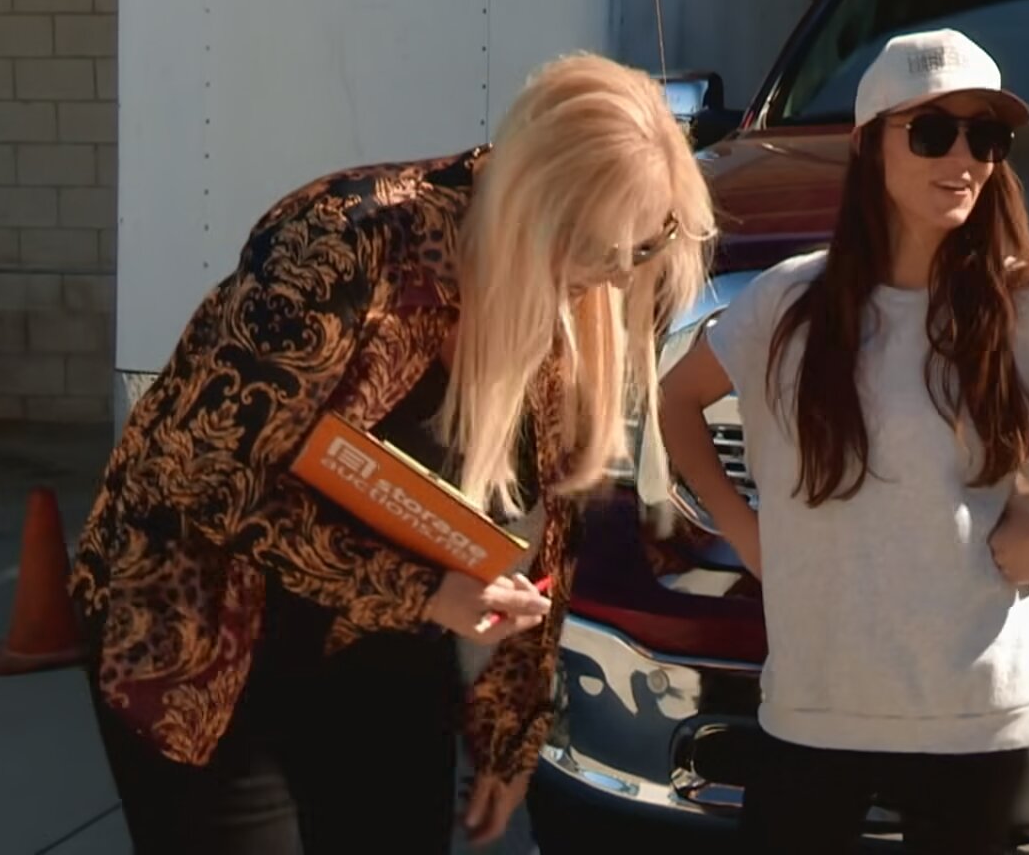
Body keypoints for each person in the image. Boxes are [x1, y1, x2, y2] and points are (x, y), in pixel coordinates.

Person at [67, 53, 716, 855]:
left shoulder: (568, 304)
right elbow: (201, 477)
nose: (614, 277)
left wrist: (511, 734)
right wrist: (424, 594)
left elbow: (548, 537)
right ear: (532, 208)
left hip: (380, 644)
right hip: (200, 628)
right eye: (600, 249)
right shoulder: (343, 248)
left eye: (645, 248)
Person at [657, 28, 1029, 854]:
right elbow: (677, 401)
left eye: (984, 137)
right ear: (869, 146)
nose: (962, 158)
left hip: (975, 718)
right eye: (931, 132)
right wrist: (746, 533)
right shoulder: (788, 300)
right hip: (813, 708)